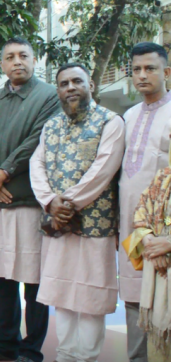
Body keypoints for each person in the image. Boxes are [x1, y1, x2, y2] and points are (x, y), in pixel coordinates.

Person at [0, 37, 59, 362]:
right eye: (10, 57)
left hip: (28, 203)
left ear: (34, 60)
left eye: (23, 55)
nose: (17, 61)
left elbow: (37, 139)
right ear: (2, 64)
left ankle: (31, 350)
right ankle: (5, 345)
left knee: (33, 281)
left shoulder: (49, 95)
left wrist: (3, 173)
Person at [30, 62, 125, 362]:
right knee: (62, 294)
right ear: (58, 90)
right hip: (57, 225)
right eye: (63, 83)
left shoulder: (111, 122)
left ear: (91, 86)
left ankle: (86, 357)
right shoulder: (52, 125)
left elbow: (103, 170)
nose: (70, 87)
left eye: (76, 81)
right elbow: (37, 164)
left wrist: (66, 203)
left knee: (90, 297)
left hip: (95, 224)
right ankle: (65, 355)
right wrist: (49, 202)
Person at [119, 42, 171, 362]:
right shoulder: (127, 115)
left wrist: (165, 239)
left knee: (163, 297)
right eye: (136, 69)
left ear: (166, 72)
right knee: (136, 296)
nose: (142, 75)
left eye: (150, 68)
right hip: (133, 229)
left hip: (163, 232)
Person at [126, 159, 171, 361]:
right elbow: (141, 212)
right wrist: (153, 245)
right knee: (159, 349)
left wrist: (169, 245)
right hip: (160, 270)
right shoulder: (164, 176)